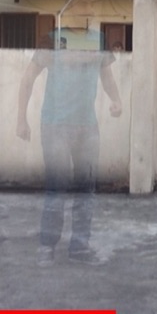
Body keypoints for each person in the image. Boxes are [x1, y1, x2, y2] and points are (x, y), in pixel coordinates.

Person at [16, 33, 122, 267]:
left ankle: (80, 247)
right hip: (55, 126)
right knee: (56, 188)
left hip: (87, 127)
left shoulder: (99, 40)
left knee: (87, 189)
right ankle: (47, 246)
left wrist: (117, 100)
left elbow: (107, 77)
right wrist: (21, 119)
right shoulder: (53, 39)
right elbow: (27, 79)